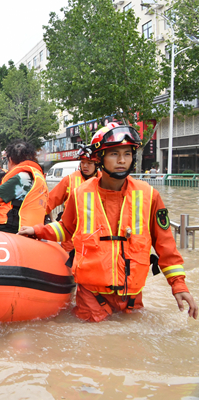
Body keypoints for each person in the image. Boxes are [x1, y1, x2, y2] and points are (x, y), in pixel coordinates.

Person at [18, 123, 197, 322]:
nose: (121, 160)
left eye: (127, 154)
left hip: (132, 296)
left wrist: (178, 285)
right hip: (91, 296)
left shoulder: (149, 195)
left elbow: (166, 245)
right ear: (100, 157)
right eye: (114, 154)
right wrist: (37, 231)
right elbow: (66, 228)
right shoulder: (80, 193)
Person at [45, 145, 101, 252]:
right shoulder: (69, 180)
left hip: (96, 238)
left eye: (89, 163)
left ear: (97, 164)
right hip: (71, 238)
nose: (85, 166)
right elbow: (50, 201)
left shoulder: (104, 181)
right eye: (83, 162)